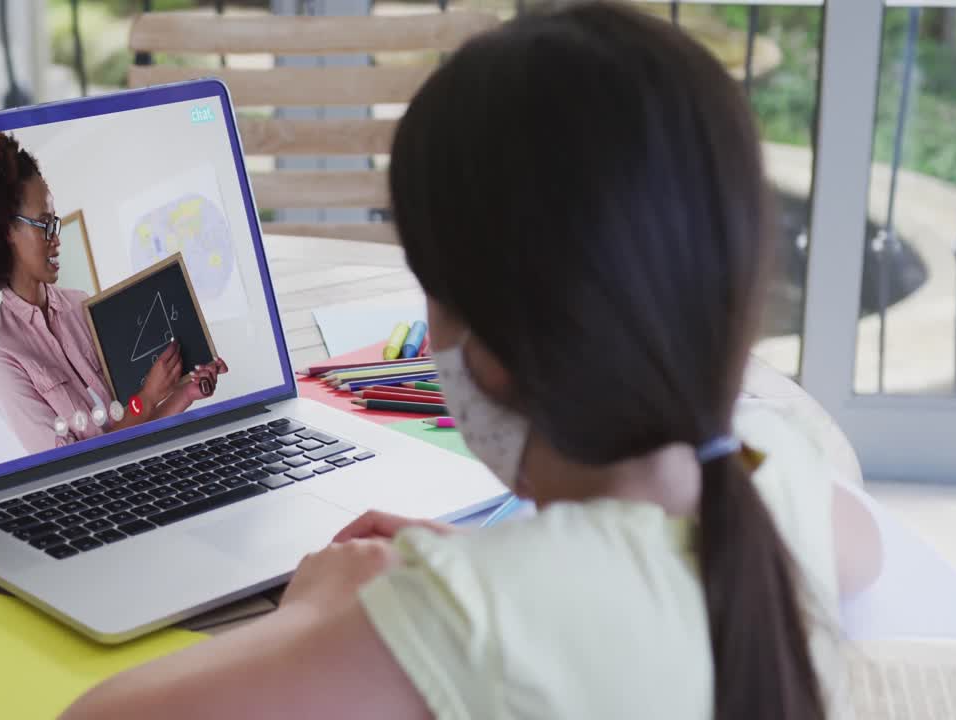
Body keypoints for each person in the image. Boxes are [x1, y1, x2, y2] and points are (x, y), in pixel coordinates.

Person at [61, 3, 881, 718]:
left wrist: (318, 617)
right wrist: (492, 565)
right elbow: (856, 548)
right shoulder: (782, 479)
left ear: (485, 358)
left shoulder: (469, 619)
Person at [0, 133, 227, 453]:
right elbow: (70, 466)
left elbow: (132, 427)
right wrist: (147, 397)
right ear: (5, 231)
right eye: (44, 225)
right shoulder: (0, 349)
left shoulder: (81, 304)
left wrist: (184, 394)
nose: (57, 238)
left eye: (55, 223)